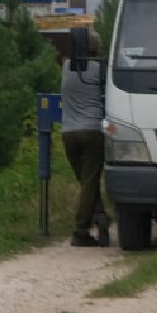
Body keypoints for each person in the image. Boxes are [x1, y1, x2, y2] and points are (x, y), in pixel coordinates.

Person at [60, 27, 110, 247]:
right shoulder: (100, 69)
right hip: (92, 130)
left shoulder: (66, 67)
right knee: (90, 181)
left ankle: (100, 218)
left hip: (68, 133)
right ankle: (81, 230)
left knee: (85, 181)